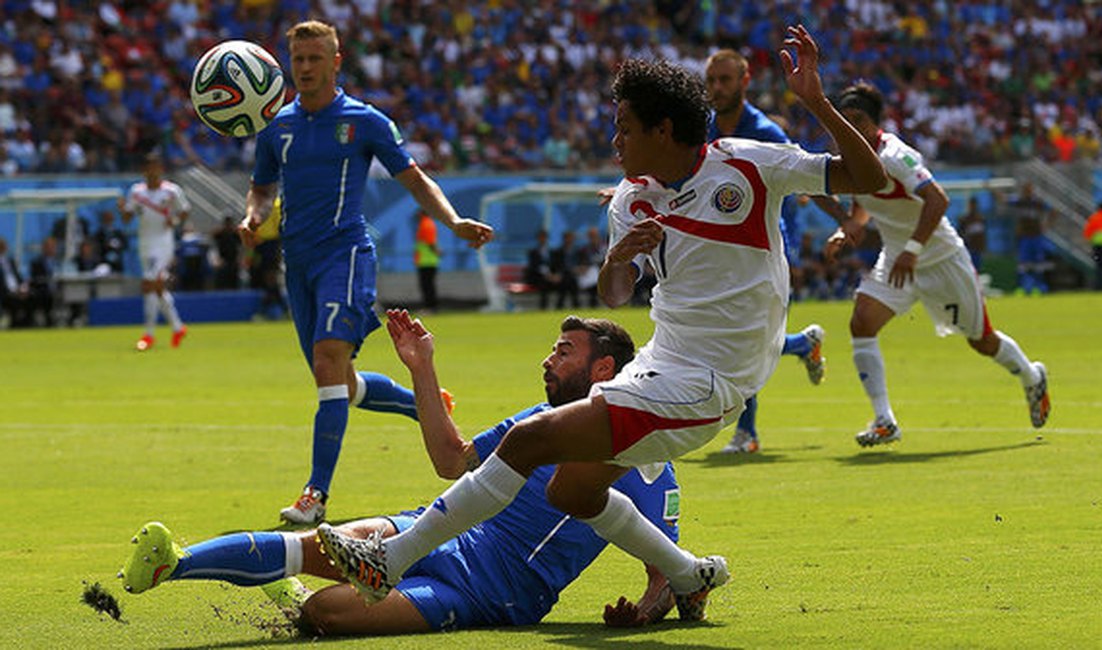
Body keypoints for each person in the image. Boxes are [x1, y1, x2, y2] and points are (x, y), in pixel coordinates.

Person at [315, 26, 885, 622]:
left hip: (713, 381)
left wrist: (816, 101)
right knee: (570, 490)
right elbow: (615, 297)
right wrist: (618, 258)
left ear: (663, 131)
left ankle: (391, 560)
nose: (615, 140)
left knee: (528, 441)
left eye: (625, 128)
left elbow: (868, 181)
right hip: (662, 362)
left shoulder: (749, 167)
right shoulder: (631, 199)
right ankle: (688, 576)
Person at [119, 313, 680, 634]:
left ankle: (296, 590)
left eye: (563, 352)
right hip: (434, 532)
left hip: (493, 590)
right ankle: (176, 563)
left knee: (324, 613)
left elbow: (668, 571)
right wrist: (423, 367)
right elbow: (452, 461)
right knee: (318, 543)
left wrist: (645, 613)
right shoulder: (539, 422)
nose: (547, 360)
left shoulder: (647, 457)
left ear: (602, 368)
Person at [239, 21, 494, 526]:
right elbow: (262, 188)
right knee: (340, 379)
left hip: (346, 254)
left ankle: (316, 494)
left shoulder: (364, 121)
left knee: (328, 360)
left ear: (336, 62)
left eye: (316, 58)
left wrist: (452, 221)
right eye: (299, 59)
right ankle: (427, 405)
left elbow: (414, 178)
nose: (306, 68)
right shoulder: (277, 127)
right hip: (300, 263)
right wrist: (253, 216)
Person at [821, 81, 1050, 447]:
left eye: (858, 119)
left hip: (939, 257)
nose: (850, 127)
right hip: (897, 258)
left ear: (875, 124)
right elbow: (864, 203)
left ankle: (1031, 376)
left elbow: (938, 200)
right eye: (843, 120)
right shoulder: (849, 157)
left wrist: (913, 249)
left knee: (982, 341)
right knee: (862, 321)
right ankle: (884, 420)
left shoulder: (896, 154)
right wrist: (846, 229)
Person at [703, 47, 830, 454]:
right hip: (719, 248)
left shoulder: (764, 132)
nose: (717, 88)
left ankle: (747, 433)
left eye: (725, 80)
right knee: (741, 341)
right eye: (711, 80)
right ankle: (802, 344)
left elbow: (808, 172)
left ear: (744, 82)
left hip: (763, 249)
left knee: (740, 341)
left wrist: (846, 221)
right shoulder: (703, 128)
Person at [119, 152, 189, 351]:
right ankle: (177, 327)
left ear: (161, 169)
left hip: (163, 242)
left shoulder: (171, 191)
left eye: (156, 167)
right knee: (156, 287)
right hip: (145, 242)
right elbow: (127, 218)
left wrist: (174, 221)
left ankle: (148, 335)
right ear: (144, 170)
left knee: (149, 284)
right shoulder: (136, 192)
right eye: (149, 168)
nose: (153, 171)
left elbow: (184, 210)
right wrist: (123, 211)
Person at [1006, 181, 1053, 295]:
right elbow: (1004, 200)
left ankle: (1040, 288)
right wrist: (992, 189)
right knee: (1023, 264)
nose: (1027, 191)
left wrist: (1046, 225)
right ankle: (1024, 288)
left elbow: (1053, 210)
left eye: (1029, 189)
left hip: (1036, 236)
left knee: (1038, 263)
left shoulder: (1037, 203)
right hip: (1025, 237)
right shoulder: (1020, 202)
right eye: (1026, 189)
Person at [0, 236, 31, 328]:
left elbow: (19, 277)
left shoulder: (10, 261)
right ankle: (14, 324)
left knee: (33, 297)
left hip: (17, 290)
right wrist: (12, 291)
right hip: (4, 292)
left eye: (4, 246)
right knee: (14, 301)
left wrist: (23, 287)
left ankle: (27, 324)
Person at [413, 211, 439, 312]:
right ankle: (431, 307)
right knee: (428, 284)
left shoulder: (426, 224)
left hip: (427, 260)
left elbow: (430, 242)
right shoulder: (426, 223)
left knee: (427, 285)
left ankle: (430, 307)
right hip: (426, 259)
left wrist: (436, 251)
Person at [524, 228, 557, 309]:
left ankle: (560, 307)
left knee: (564, 282)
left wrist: (555, 275)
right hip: (537, 277)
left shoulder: (552, 252)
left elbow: (555, 265)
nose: (543, 239)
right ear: (538, 238)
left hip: (550, 278)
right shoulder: (533, 252)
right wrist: (547, 274)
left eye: (544, 237)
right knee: (544, 282)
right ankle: (543, 307)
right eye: (541, 237)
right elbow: (534, 267)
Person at [576, 226, 607, 308]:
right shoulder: (584, 250)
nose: (593, 238)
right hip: (589, 274)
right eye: (591, 236)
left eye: (595, 236)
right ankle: (592, 301)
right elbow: (581, 264)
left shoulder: (605, 248)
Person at [1083, 201, 1102, 290]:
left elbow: (1088, 231)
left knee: (1100, 265)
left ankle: (1100, 286)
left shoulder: (1095, 217)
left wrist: (1088, 239)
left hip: (1098, 244)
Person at [550, 230, 580, 309]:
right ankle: (560, 306)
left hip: (575, 275)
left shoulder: (578, 251)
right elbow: (555, 266)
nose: (569, 240)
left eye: (570, 238)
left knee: (571, 281)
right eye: (567, 238)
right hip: (562, 275)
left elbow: (582, 263)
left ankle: (576, 305)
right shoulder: (558, 252)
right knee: (565, 281)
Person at [211, 216, 242, 290]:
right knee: (221, 283)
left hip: (233, 262)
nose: (228, 225)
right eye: (227, 223)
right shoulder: (219, 234)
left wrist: (240, 259)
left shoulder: (235, 235)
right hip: (222, 261)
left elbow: (241, 247)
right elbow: (213, 245)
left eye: (230, 223)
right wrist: (217, 259)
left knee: (234, 283)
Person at [93, 210, 128, 274]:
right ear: (103, 219)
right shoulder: (98, 234)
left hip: (117, 264)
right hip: (103, 264)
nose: (108, 220)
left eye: (110, 218)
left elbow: (125, 245)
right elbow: (96, 247)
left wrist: (118, 245)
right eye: (106, 218)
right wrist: (106, 245)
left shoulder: (118, 233)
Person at [958, 196, 987, 272]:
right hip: (968, 249)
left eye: (974, 205)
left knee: (976, 270)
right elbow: (960, 234)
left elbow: (983, 235)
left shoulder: (981, 219)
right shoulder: (964, 219)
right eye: (971, 205)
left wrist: (983, 247)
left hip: (977, 249)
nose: (973, 207)